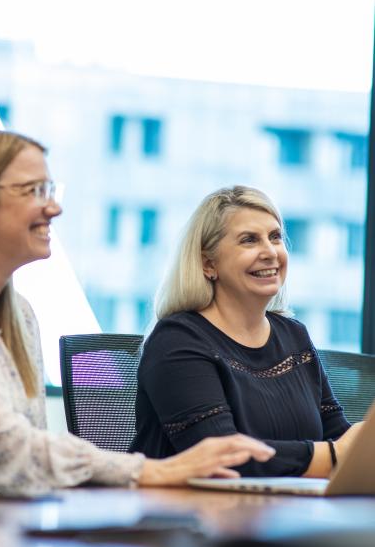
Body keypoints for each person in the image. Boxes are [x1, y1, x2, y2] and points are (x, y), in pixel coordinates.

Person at [0, 130, 273, 496]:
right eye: (33, 192)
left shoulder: (19, 314)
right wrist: (148, 470)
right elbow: (5, 453)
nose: (54, 207)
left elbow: (18, 460)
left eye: (50, 190)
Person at [130, 185, 361, 477]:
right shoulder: (176, 341)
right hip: (191, 517)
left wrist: (360, 447)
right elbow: (225, 460)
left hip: (285, 513)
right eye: (249, 240)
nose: (270, 252)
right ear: (208, 263)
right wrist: (335, 455)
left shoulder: (294, 336)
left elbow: (338, 436)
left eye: (275, 237)